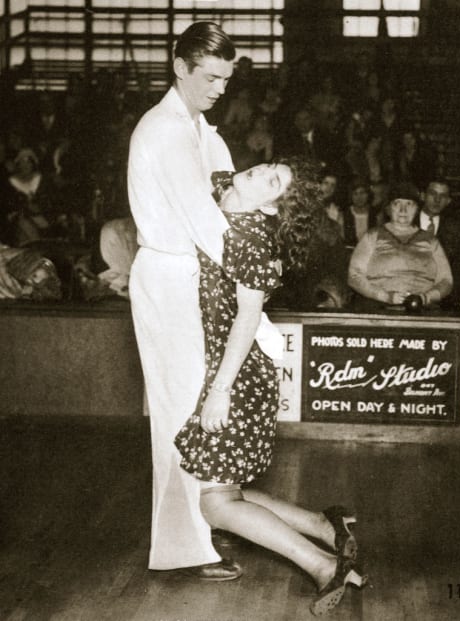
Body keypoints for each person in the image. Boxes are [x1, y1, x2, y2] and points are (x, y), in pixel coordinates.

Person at [174, 160, 366, 616]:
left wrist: (220, 390)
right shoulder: (224, 186)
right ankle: (324, 525)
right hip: (222, 366)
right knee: (224, 487)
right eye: (266, 167)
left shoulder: (252, 239)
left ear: (275, 208)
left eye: (273, 182)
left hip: (237, 375)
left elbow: (246, 319)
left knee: (218, 505)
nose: (259, 174)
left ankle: (322, 564)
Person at [127, 22, 242, 580]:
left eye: (227, 78)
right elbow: (207, 223)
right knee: (178, 412)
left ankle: (206, 525)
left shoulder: (203, 131)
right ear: (180, 66)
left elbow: (231, 205)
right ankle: (185, 549)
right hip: (170, 278)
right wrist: (254, 285)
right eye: (211, 76)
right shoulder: (165, 129)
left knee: (199, 408)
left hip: (197, 277)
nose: (220, 87)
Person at [348, 182, 453, 311]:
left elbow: (446, 280)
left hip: (422, 310)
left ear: (417, 209)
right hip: (378, 308)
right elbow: (354, 276)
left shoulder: (431, 240)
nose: (403, 210)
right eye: (397, 203)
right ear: (388, 208)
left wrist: (425, 298)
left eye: (409, 204)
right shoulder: (372, 235)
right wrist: (385, 296)